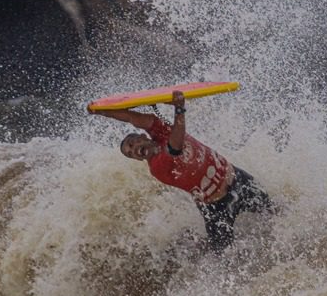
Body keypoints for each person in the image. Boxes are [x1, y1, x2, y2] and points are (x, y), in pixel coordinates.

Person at [91, 90, 274, 252]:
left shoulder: (160, 131)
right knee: (225, 260)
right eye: (131, 155)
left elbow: (133, 118)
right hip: (217, 208)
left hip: (238, 179)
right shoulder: (158, 167)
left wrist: (102, 112)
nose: (134, 152)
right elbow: (176, 146)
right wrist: (179, 109)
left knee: (276, 214)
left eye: (132, 145)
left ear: (141, 137)